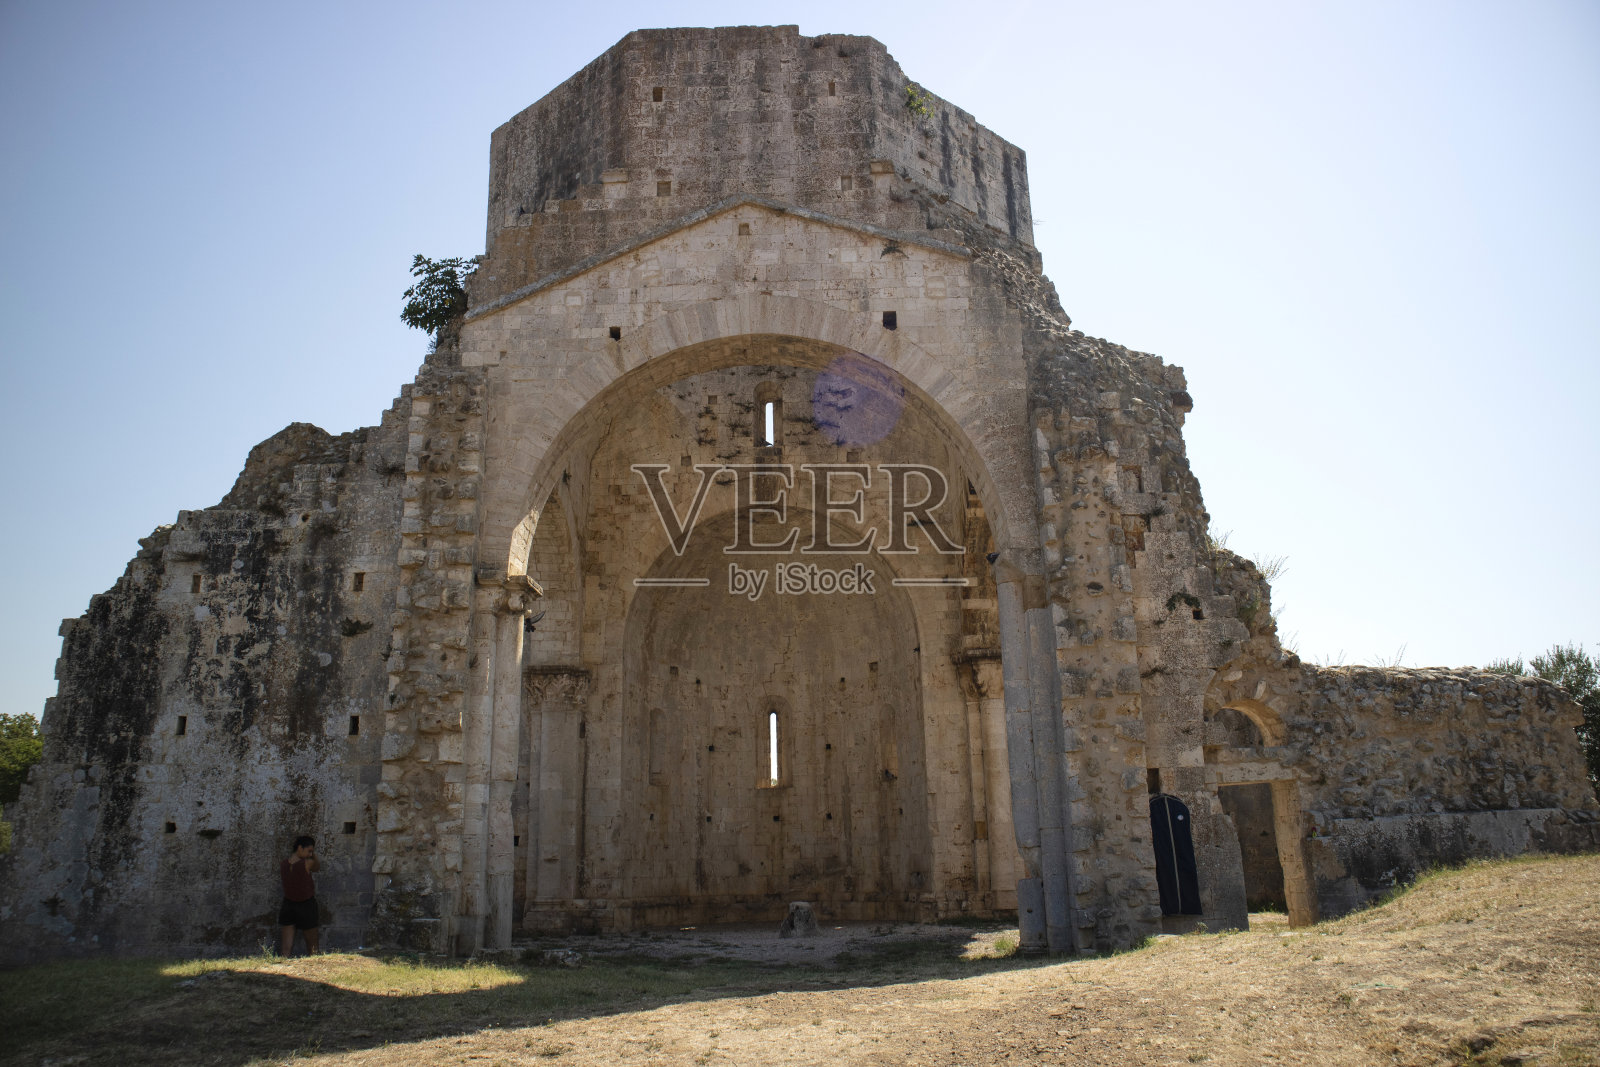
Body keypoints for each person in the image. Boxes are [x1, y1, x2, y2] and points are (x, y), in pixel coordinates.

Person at [278, 835, 321, 956]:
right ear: (300, 848)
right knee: (313, 948)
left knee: (286, 949)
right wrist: (314, 856)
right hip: (306, 905)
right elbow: (317, 867)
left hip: (288, 904)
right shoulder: (307, 864)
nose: (310, 854)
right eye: (309, 851)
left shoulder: (283, 864)